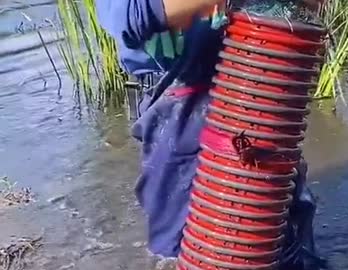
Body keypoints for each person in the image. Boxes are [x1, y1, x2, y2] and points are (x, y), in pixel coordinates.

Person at [95, 0, 326, 269]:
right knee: (191, 243)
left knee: (276, 229)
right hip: (179, 104)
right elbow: (131, 18)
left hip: (261, 92)